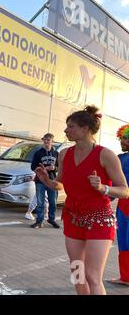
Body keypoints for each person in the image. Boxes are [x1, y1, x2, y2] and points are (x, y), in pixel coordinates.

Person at [35, 106, 129, 295]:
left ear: (85, 128)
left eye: (71, 126)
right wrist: (47, 181)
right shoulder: (64, 154)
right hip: (72, 217)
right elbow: (60, 184)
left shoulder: (106, 155)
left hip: (99, 219)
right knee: (77, 273)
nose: (66, 130)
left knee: (93, 277)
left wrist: (104, 188)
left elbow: (125, 191)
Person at [108, 124, 129, 286]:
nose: (122, 141)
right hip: (123, 207)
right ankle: (126, 277)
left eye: (126, 138)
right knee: (123, 242)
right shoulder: (120, 158)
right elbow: (112, 182)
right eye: (122, 137)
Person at [30, 133, 59, 229]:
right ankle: (39, 221)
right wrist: (44, 168)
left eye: (48, 139)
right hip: (40, 180)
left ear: (52, 141)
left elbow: (60, 167)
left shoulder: (56, 153)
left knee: (53, 202)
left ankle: (51, 219)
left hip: (52, 180)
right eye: (44, 139)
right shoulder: (38, 153)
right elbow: (33, 166)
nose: (46, 141)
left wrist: (54, 168)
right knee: (40, 202)